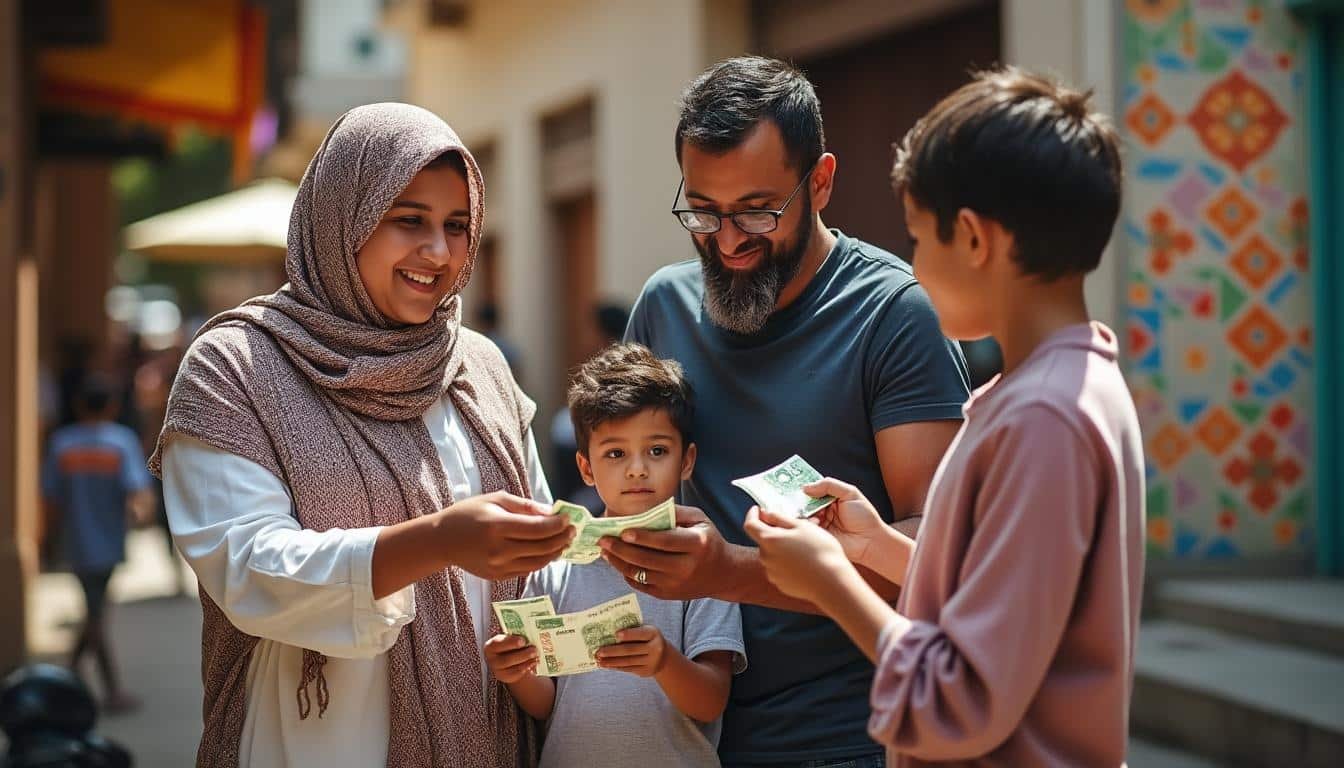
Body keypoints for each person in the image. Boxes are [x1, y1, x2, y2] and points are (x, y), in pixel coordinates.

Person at [152, 103, 575, 767]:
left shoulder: (481, 368)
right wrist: (437, 541)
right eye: (409, 220)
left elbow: (546, 573)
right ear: (342, 216)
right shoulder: (237, 366)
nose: (438, 252)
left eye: (457, 226)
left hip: (489, 737)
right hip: (310, 739)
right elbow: (247, 567)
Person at [745, 68, 1144, 767]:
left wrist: (832, 585)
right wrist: (874, 548)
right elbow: (1012, 598)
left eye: (920, 240)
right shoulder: (1062, 388)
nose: (914, 266)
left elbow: (958, 700)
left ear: (974, 238)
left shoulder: (1044, 420)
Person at [602, 56, 971, 766]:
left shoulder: (893, 315)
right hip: (680, 726)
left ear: (821, 181)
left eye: (757, 210)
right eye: (703, 211)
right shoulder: (663, 306)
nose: (730, 241)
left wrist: (728, 571)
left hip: (847, 733)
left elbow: (937, 559)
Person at [485, 343, 745, 767]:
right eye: (616, 453)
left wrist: (663, 661)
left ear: (686, 460)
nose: (638, 468)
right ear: (586, 468)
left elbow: (711, 699)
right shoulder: (555, 565)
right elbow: (548, 703)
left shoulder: (702, 562)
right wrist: (516, 672)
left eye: (657, 450)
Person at [41, 374, 154, 713]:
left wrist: (48, 541)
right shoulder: (120, 443)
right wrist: (140, 514)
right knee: (95, 613)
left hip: (74, 541)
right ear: (113, 406)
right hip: (108, 542)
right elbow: (137, 491)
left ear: (78, 406)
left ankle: (66, 681)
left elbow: (50, 497)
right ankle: (104, 690)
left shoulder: (63, 444)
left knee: (94, 610)